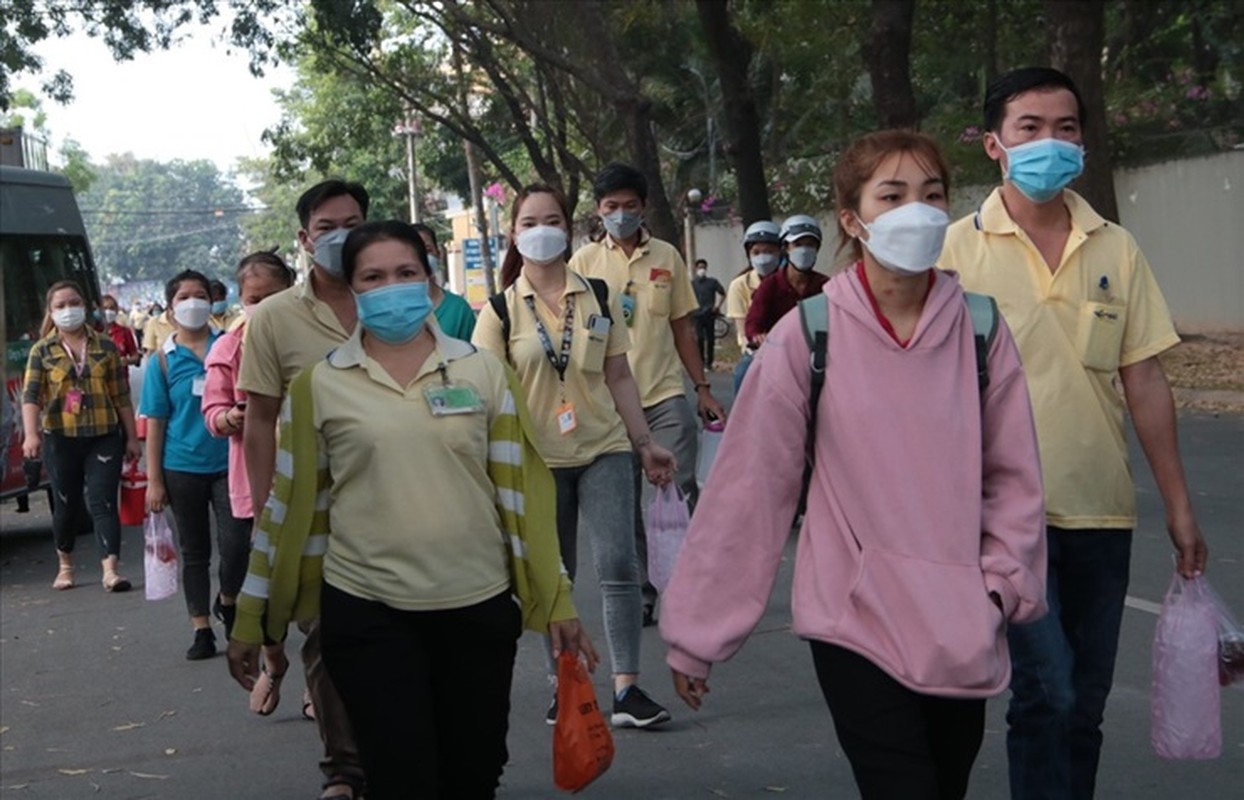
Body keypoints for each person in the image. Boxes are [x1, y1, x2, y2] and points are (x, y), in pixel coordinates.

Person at [661, 130, 1048, 800]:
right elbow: (750, 493)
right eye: (892, 196)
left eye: (932, 195)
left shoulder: (982, 330)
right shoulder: (809, 336)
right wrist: (697, 635)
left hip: (960, 622)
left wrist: (999, 588)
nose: (917, 212)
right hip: (854, 622)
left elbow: (1014, 480)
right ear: (852, 217)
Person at [227, 220, 598, 800]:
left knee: (473, 773)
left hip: (476, 608)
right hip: (367, 610)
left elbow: (522, 501)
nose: (391, 287)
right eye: (372, 277)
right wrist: (253, 618)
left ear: (428, 281)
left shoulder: (484, 373)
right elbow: (288, 508)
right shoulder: (320, 386)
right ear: (351, 292)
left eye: (405, 273)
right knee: (401, 775)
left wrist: (558, 600)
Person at [940, 66, 1209, 800]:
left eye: (1066, 128)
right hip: (1001, 518)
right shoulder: (952, 254)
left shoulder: (1114, 248)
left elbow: (1144, 379)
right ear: (994, 144)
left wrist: (1179, 507)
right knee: (1046, 694)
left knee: (1084, 709)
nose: (1050, 144)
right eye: (1030, 128)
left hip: (1102, 510)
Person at [474, 184, 678, 729]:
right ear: (514, 234)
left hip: (604, 448)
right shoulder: (497, 311)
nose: (542, 230)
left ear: (568, 228)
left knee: (618, 564)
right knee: (552, 576)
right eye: (529, 222)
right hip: (535, 461)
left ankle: (628, 688)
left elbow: (618, 375)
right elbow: (487, 396)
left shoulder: (600, 296)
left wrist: (644, 443)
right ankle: (564, 685)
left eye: (553, 219)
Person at [237, 179, 369, 800]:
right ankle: (344, 768)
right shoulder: (273, 319)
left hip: (400, 499)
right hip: (314, 506)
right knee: (325, 633)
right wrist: (269, 511)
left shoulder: (398, 297)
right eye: (326, 227)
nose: (341, 236)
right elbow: (259, 419)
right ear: (304, 238)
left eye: (352, 222)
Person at [568, 163, 727, 626]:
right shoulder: (582, 264)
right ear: (599, 212)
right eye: (611, 207)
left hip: (664, 394)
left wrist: (701, 388)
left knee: (677, 488)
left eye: (629, 206)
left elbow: (682, 328)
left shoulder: (667, 257)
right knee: (626, 502)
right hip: (609, 404)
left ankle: (690, 581)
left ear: (643, 208)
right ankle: (644, 591)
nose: (621, 214)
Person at [201, 252, 296, 713]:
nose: (262, 306)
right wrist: (229, 418)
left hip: (316, 483)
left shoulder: (315, 337)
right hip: (253, 490)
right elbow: (212, 412)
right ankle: (274, 663)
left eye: (272, 296)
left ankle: (322, 691)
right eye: (253, 298)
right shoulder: (228, 349)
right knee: (268, 594)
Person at [140, 269, 248, 661]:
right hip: (181, 467)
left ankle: (230, 599)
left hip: (230, 462)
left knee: (237, 543)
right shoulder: (162, 362)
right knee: (195, 549)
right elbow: (155, 421)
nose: (193, 303)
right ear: (169, 310)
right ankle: (201, 627)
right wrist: (154, 480)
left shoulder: (232, 347)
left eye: (200, 295)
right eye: (183, 297)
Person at [21, 281, 142, 591]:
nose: (67, 310)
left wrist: (131, 438)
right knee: (66, 503)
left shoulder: (105, 346)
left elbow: (122, 396)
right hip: (61, 437)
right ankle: (65, 566)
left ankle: (110, 570)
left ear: (85, 306)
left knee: (103, 501)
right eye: (60, 306)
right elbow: (31, 396)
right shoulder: (42, 350)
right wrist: (31, 435)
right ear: (50, 312)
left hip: (104, 436)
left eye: (73, 303)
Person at [743, 214, 830, 346]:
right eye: (798, 244)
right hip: (777, 352)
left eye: (810, 245)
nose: (804, 250)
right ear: (786, 248)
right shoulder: (770, 285)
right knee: (744, 367)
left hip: (817, 354)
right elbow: (754, 322)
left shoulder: (825, 286)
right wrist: (757, 336)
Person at [726, 220, 783, 394]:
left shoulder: (790, 281)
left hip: (790, 347)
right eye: (756, 252)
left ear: (780, 252)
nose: (763, 257)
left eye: (769, 251)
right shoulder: (739, 285)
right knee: (742, 374)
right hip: (756, 351)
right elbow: (743, 333)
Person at [411, 222, 476, 340]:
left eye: (427, 250)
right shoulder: (392, 312)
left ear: (438, 254)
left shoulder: (459, 309)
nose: (421, 258)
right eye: (413, 252)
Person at [690, 259, 726, 370]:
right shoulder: (692, 284)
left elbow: (723, 293)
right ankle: (701, 362)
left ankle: (709, 363)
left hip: (709, 314)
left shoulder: (712, 282)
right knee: (699, 339)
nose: (702, 270)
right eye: (700, 267)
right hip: (697, 315)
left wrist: (718, 306)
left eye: (704, 267)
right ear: (696, 269)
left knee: (710, 339)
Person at [99, 294, 141, 368]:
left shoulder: (125, 332)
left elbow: (135, 356)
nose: (108, 311)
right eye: (105, 308)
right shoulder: (93, 332)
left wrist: (127, 361)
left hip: (120, 377)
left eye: (111, 308)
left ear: (116, 310)